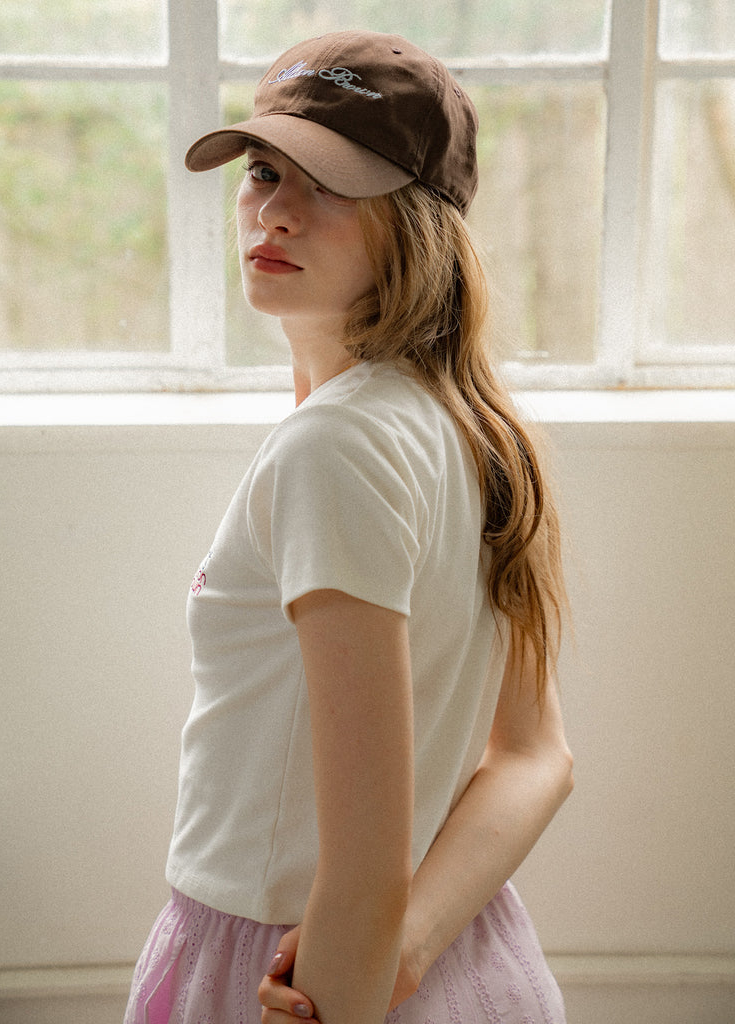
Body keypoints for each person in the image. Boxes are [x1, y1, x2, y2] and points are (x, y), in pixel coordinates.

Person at [123, 29, 574, 1024]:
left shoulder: (333, 447)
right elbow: (537, 757)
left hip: (300, 964)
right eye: (262, 171)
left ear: (414, 224)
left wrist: (361, 966)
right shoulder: (475, 428)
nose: (274, 210)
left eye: (327, 184)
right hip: (451, 957)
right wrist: (412, 943)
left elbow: (368, 862)